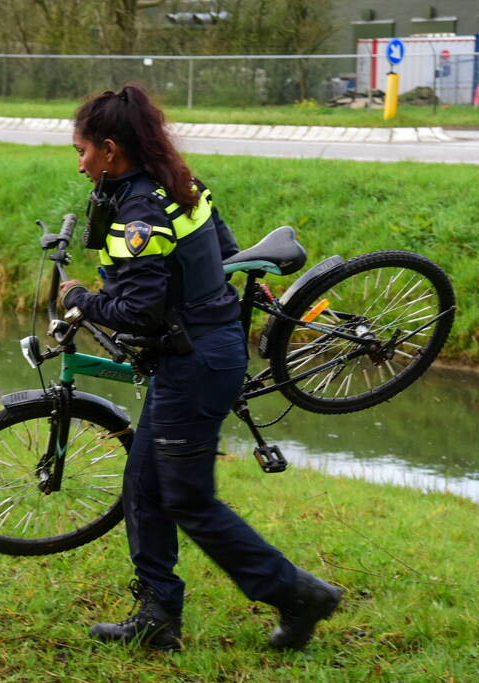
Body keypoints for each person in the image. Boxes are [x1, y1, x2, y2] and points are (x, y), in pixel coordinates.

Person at [58, 84, 342, 652]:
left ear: (110, 149)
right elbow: (226, 249)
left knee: (187, 497)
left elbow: (136, 310)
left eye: (83, 150)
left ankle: (299, 594)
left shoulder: (138, 213)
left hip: (196, 363)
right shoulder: (181, 184)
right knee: (144, 485)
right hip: (196, 352)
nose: (82, 162)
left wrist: (81, 298)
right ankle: (158, 615)